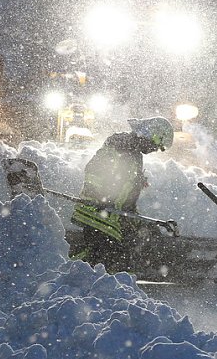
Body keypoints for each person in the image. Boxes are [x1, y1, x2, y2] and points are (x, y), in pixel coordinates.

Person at [69, 116, 174, 272]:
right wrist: (99, 197)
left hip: (109, 217)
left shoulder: (135, 153)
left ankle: (77, 274)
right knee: (111, 261)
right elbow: (94, 169)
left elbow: (125, 198)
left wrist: (140, 223)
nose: (155, 150)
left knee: (110, 258)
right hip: (97, 212)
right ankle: (70, 272)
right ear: (152, 135)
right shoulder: (121, 145)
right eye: (157, 145)